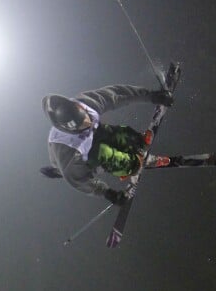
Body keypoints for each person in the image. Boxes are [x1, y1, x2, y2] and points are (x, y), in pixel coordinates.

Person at [41, 82, 174, 204]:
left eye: (85, 117)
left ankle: (137, 143)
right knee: (103, 153)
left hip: (93, 136)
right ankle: (131, 165)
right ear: (70, 129)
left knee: (111, 133)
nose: (87, 122)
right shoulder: (68, 154)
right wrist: (108, 193)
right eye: (82, 125)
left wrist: (151, 96)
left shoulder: (87, 103)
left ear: (78, 106)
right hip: (85, 157)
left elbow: (118, 94)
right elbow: (79, 181)